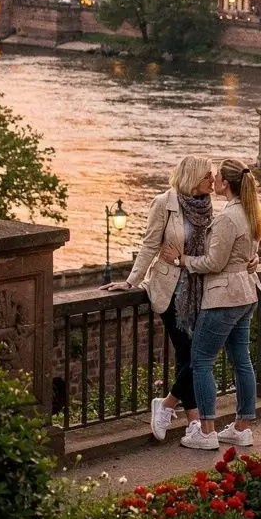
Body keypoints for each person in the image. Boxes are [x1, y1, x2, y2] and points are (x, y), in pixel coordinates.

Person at [105, 153, 213, 440]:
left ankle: (173, 407)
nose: (213, 182)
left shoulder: (208, 206)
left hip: (199, 287)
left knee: (189, 354)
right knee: (191, 352)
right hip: (170, 289)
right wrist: (131, 281)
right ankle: (185, 415)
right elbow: (150, 244)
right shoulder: (165, 203)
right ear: (193, 178)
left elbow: (215, 248)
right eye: (207, 177)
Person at [162, 157, 261, 452]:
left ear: (226, 184)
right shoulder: (250, 213)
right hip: (247, 294)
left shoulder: (226, 219)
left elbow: (213, 262)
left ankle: (206, 430)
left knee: (202, 360)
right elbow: (247, 254)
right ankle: (242, 427)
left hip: (223, 297)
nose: (214, 180)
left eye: (217, 176)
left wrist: (181, 260)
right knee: (241, 359)